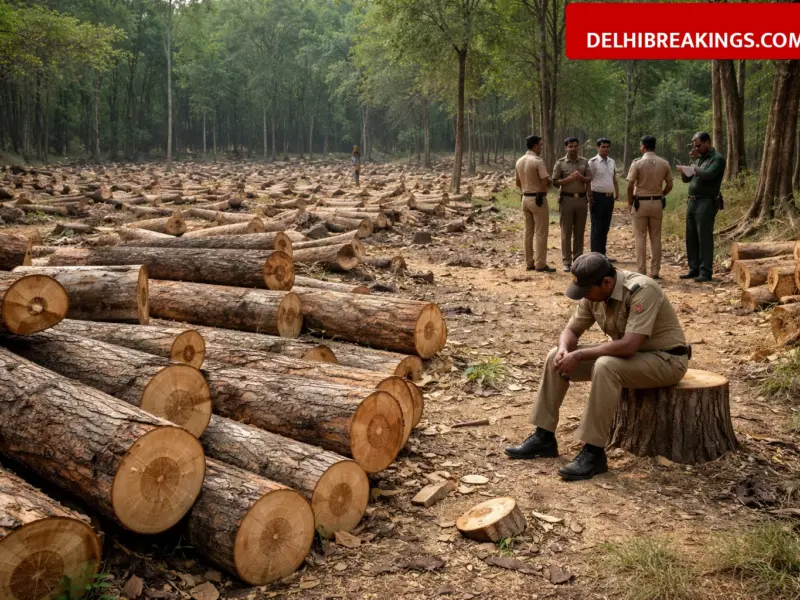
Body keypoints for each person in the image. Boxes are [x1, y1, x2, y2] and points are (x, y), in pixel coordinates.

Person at [504, 253, 689, 480]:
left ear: (607, 282)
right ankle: (544, 437)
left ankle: (593, 452)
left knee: (605, 366)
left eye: (588, 291)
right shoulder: (592, 293)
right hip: (630, 359)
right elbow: (571, 331)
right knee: (555, 355)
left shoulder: (642, 290)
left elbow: (630, 346)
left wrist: (580, 355)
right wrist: (564, 348)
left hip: (666, 360)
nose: (585, 297)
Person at [679, 132, 726, 283]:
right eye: (694, 146)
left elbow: (708, 175)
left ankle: (705, 272)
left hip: (706, 202)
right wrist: (690, 163)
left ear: (707, 142)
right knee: (691, 236)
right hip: (692, 201)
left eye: (699, 145)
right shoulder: (699, 159)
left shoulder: (717, 159)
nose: (696, 148)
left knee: (704, 237)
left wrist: (694, 169)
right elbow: (687, 180)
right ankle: (694, 269)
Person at [626, 136, 672, 280]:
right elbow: (670, 185)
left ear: (642, 147)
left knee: (640, 236)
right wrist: (661, 194)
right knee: (656, 237)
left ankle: (641, 270)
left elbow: (629, 185)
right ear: (654, 147)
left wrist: (630, 201)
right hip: (657, 202)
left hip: (641, 203)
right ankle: (655, 271)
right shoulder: (664, 163)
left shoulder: (637, 163)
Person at [515, 134, 555, 272]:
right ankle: (541, 263)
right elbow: (545, 181)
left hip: (525, 198)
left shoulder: (519, 161)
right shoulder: (538, 161)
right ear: (536, 145)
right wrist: (547, 186)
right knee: (541, 232)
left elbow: (518, 182)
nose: (541, 147)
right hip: (538, 199)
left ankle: (529, 262)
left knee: (528, 232)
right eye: (540, 145)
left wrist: (525, 190)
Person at [552, 137, 592, 272]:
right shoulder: (560, 163)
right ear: (566, 148)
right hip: (566, 200)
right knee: (566, 232)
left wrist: (581, 178)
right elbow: (555, 182)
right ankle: (566, 261)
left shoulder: (584, 162)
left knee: (579, 232)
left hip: (581, 200)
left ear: (578, 147)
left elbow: (590, 178)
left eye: (575, 146)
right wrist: (569, 179)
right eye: (570, 146)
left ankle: (578, 260)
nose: (573, 148)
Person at [587, 138, 619, 259]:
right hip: (597, 197)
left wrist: (616, 192)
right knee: (597, 226)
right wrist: (590, 197)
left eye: (607, 147)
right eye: (603, 147)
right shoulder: (593, 162)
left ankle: (602, 254)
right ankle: (595, 256)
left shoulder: (612, 162)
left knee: (605, 226)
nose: (605, 149)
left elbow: (613, 177)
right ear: (598, 148)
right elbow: (588, 180)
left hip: (608, 197)